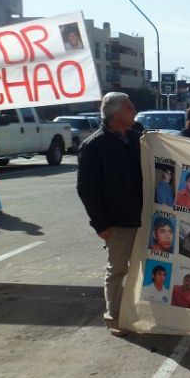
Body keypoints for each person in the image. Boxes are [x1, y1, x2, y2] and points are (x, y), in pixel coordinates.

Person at [77, 92, 142, 337]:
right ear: (115, 114)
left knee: (143, 269)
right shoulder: (93, 146)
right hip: (117, 222)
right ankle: (114, 316)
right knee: (117, 270)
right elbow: (87, 189)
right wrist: (100, 224)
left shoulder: (137, 139)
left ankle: (135, 311)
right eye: (129, 106)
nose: (134, 109)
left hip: (143, 218)